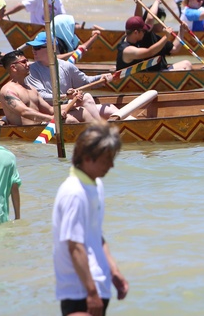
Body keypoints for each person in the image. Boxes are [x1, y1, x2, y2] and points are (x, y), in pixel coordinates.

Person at [52, 122, 129, 315]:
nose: (111, 165)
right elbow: (75, 246)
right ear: (87, 158)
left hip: (98, 285)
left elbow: (95, 234)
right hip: (79, 291)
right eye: (106, 160)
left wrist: (114, 271)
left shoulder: (96, 185)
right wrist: (91, 292)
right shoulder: (74, 193)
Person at [0, 51, 103, 125]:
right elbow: (25, 112)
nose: (28, 64)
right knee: (70, 120)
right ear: (13, 67)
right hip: (29, 130)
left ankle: (98, 136)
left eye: (27, 61)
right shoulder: (8, 91)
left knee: (82, 110)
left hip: (42, 124)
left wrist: (74, 102)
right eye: (24, 62)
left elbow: (50, 109)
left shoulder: (31, 88)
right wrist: (52, 119)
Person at [25, 31, 114, 105]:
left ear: (52, 48)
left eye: (37, 47)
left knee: (108, 108)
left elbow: (85, 81)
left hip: (67, 105)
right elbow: (40, 95)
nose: (33, 51)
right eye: (33, 47)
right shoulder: (31, 70)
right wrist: (65, 96)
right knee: (86, 100)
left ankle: (100, 125)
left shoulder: (66, 66)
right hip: (49, 111)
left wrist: (101, 77)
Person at [118, 12, 192, 72]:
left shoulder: (129, 36)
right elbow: (149, 52)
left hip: (146, 75)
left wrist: (181, 29)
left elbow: (174, 48)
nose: (145, 32)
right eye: (143, 31)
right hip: (140, 81)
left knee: (186, 63)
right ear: (136, 33)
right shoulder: (127, 50)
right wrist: (166, 37)